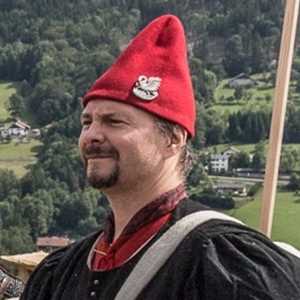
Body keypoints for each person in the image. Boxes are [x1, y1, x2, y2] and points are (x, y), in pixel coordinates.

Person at [21, 14, 300, 300]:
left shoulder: (224, 266)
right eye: (87, 122)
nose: (92, 135)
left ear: (173, 139)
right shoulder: (63, 269)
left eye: (114, 122)